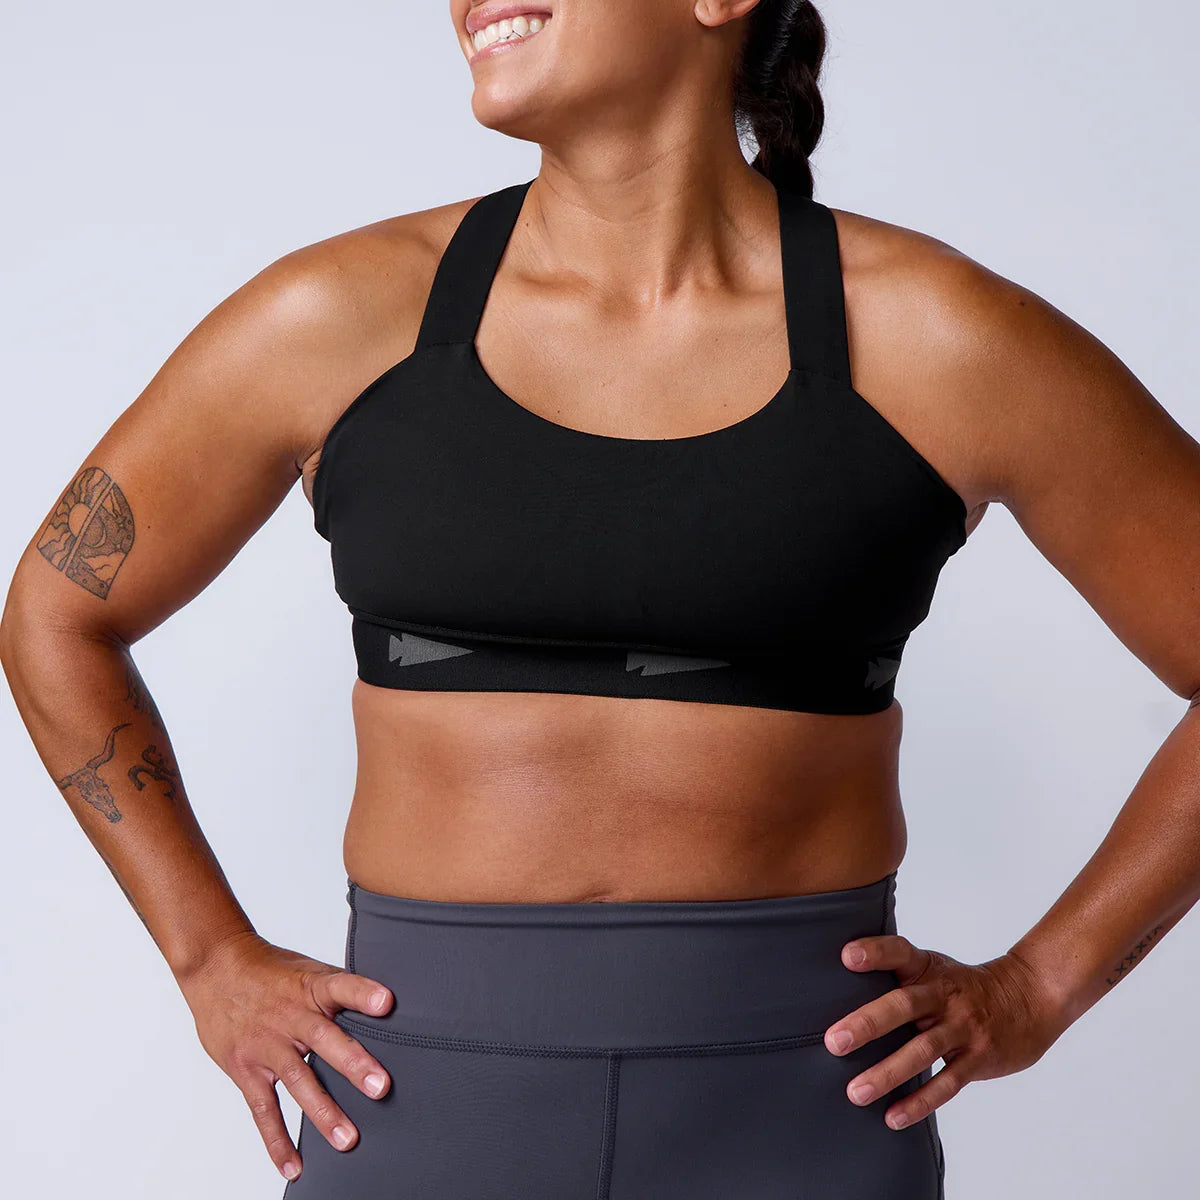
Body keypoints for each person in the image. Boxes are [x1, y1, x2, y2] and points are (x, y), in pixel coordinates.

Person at [4, 1, 1200, 1196]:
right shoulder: (335, 320)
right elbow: (56, 613)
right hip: (414, 1108)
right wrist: (209, 954)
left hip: (800, 1113)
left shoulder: (937, 338)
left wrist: (1041, 986)